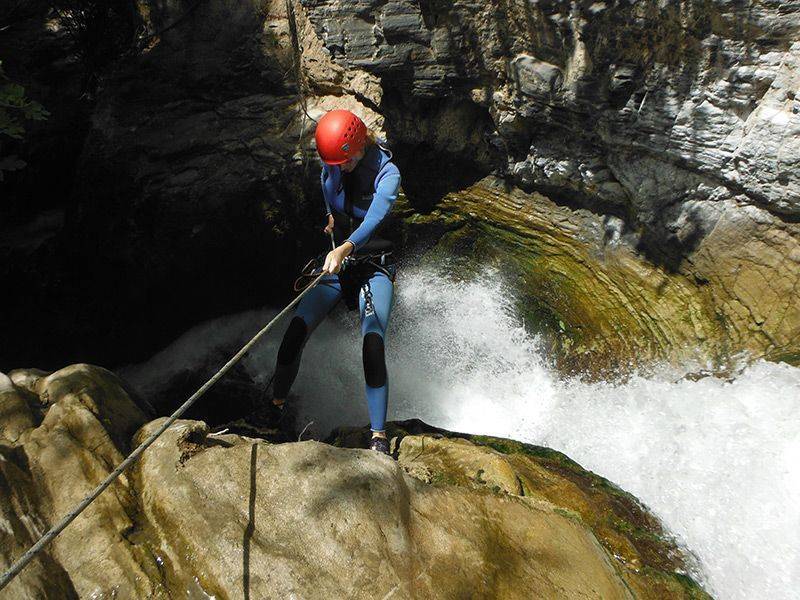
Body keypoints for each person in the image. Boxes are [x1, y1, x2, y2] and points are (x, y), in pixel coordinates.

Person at [271, 109, 401, 455]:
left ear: (359, 145)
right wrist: (332, 219)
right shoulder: (334, 163)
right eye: (334, 162)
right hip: (338, 266)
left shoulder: (387, 174)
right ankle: (273, 408)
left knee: (372, 343)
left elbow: (376, 214)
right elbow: (329, 188)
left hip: (373, 267)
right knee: (295, 332)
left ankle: (378, 435)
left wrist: (346, 246)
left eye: (345, 161)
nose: (339, 167)